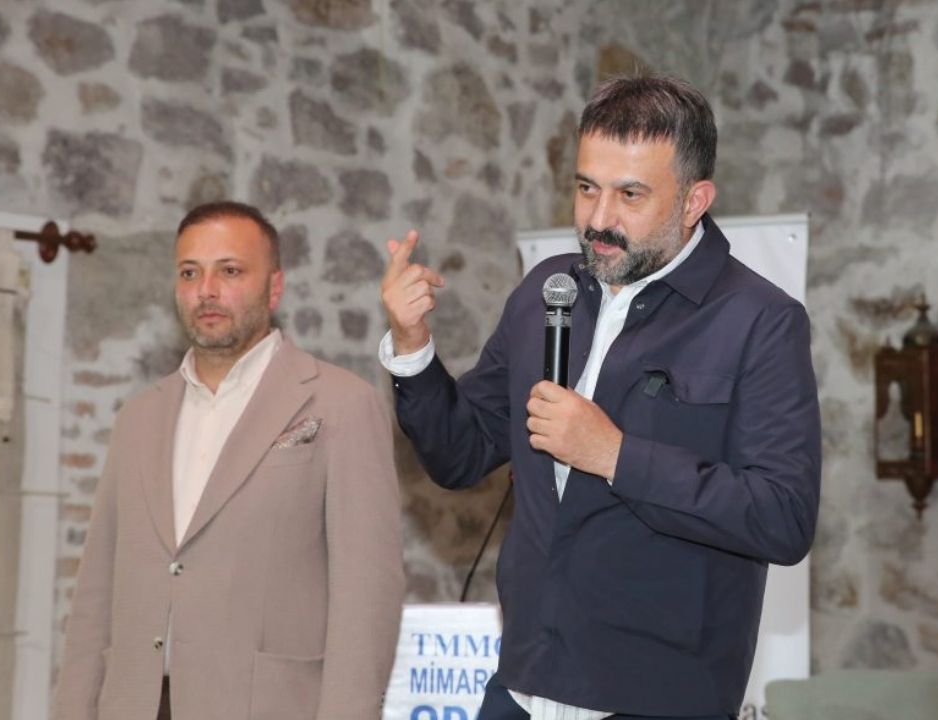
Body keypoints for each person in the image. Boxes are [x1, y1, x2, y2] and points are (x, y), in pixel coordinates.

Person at [379, 76, 821, 719]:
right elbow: (459, 454)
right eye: (587, 188)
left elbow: (782, 517)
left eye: (629, 195)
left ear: (695, 201)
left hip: (656, 696)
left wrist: (614, 455)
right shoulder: (546, 291)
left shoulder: (758, 319)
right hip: (524, 680)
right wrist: (412, 346)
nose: (598, 220)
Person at [54, 201, 405, 719]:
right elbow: (96, 593)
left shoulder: (341, 405)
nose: (207, 290)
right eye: (189, 273)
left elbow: (367, 596)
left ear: (274, 288)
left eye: (231, 271)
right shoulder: (139, 417)